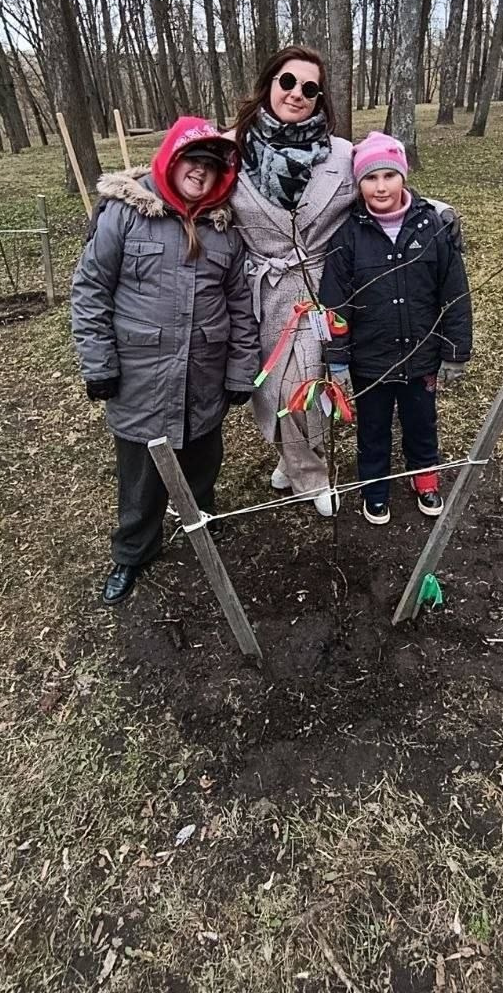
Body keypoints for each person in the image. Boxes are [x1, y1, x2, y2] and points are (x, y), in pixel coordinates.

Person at [71, 117, 259, 603]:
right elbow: (91, 291)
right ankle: (133, 551)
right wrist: (99, 364)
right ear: (173, 158)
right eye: (194, 160)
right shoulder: (124, 212)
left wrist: (241, 370)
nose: (201, 171)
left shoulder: (223, 225)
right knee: (140, 477)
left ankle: (201, 524)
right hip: (139, 378)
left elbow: (241, 305)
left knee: (202, 461)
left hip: (203, 378)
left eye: (213, 165)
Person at [318, 132, 473, 525]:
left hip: (422, 356)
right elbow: (334, 305)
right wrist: (337, 359)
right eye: (370, 178)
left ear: (403, 176)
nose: (381, 186)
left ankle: (424, 479)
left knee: (422, 423)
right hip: (371, 360)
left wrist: (455, 351)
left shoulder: (433, 228)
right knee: (373, 428)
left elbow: (454, 293)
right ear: (359, 185)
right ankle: (375, 488)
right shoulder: (347, 238)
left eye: (389, 175)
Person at [228, 46, 356, 515]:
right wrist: (133, 197)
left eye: (309, 88)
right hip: (258, 290)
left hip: (320, 286)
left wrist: (437, 214)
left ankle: (308, 473)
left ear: (320, 99)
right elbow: (185, 180)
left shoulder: (342, 154)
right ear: (269, 83)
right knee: (273, 387)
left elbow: (388, 187)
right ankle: (295, 461)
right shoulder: (232, 147)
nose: (296, 94)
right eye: (287, 82)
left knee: (305, 383)